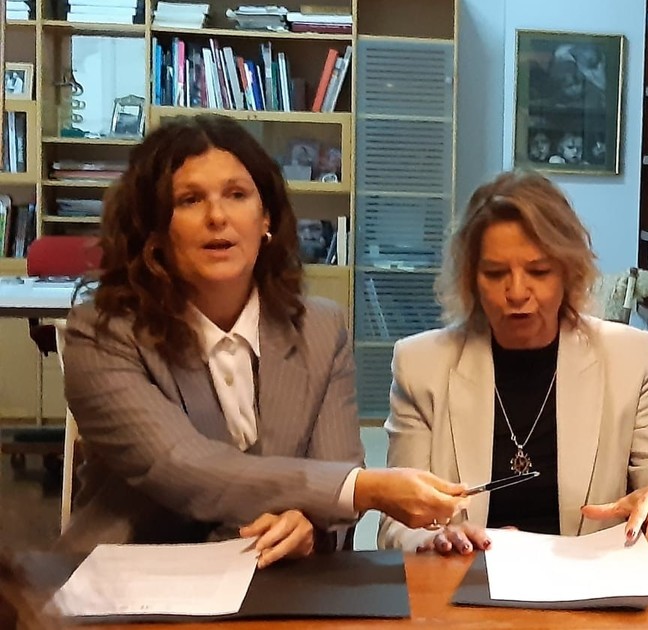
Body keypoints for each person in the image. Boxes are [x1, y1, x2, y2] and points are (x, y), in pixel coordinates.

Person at [60, 114, 466, 566]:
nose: (217, 217)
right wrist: (364, 490)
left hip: (274, 580)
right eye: (190, 200)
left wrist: (308, 528)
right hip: (131, 574)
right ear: (154, 230)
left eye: (237, 195)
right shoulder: (100, 332)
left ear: (266, 217)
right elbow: (181, 466)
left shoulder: (321, 327)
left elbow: (334, 483)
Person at [377, 170, 648, 553]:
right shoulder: (421, 366)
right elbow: (395, 527)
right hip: (469, 577)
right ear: (471, 280)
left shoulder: (627, 358)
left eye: (538, 271)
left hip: (589, 581)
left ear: (568, 273)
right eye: (495, 273)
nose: (516, 292)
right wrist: (435, 539)